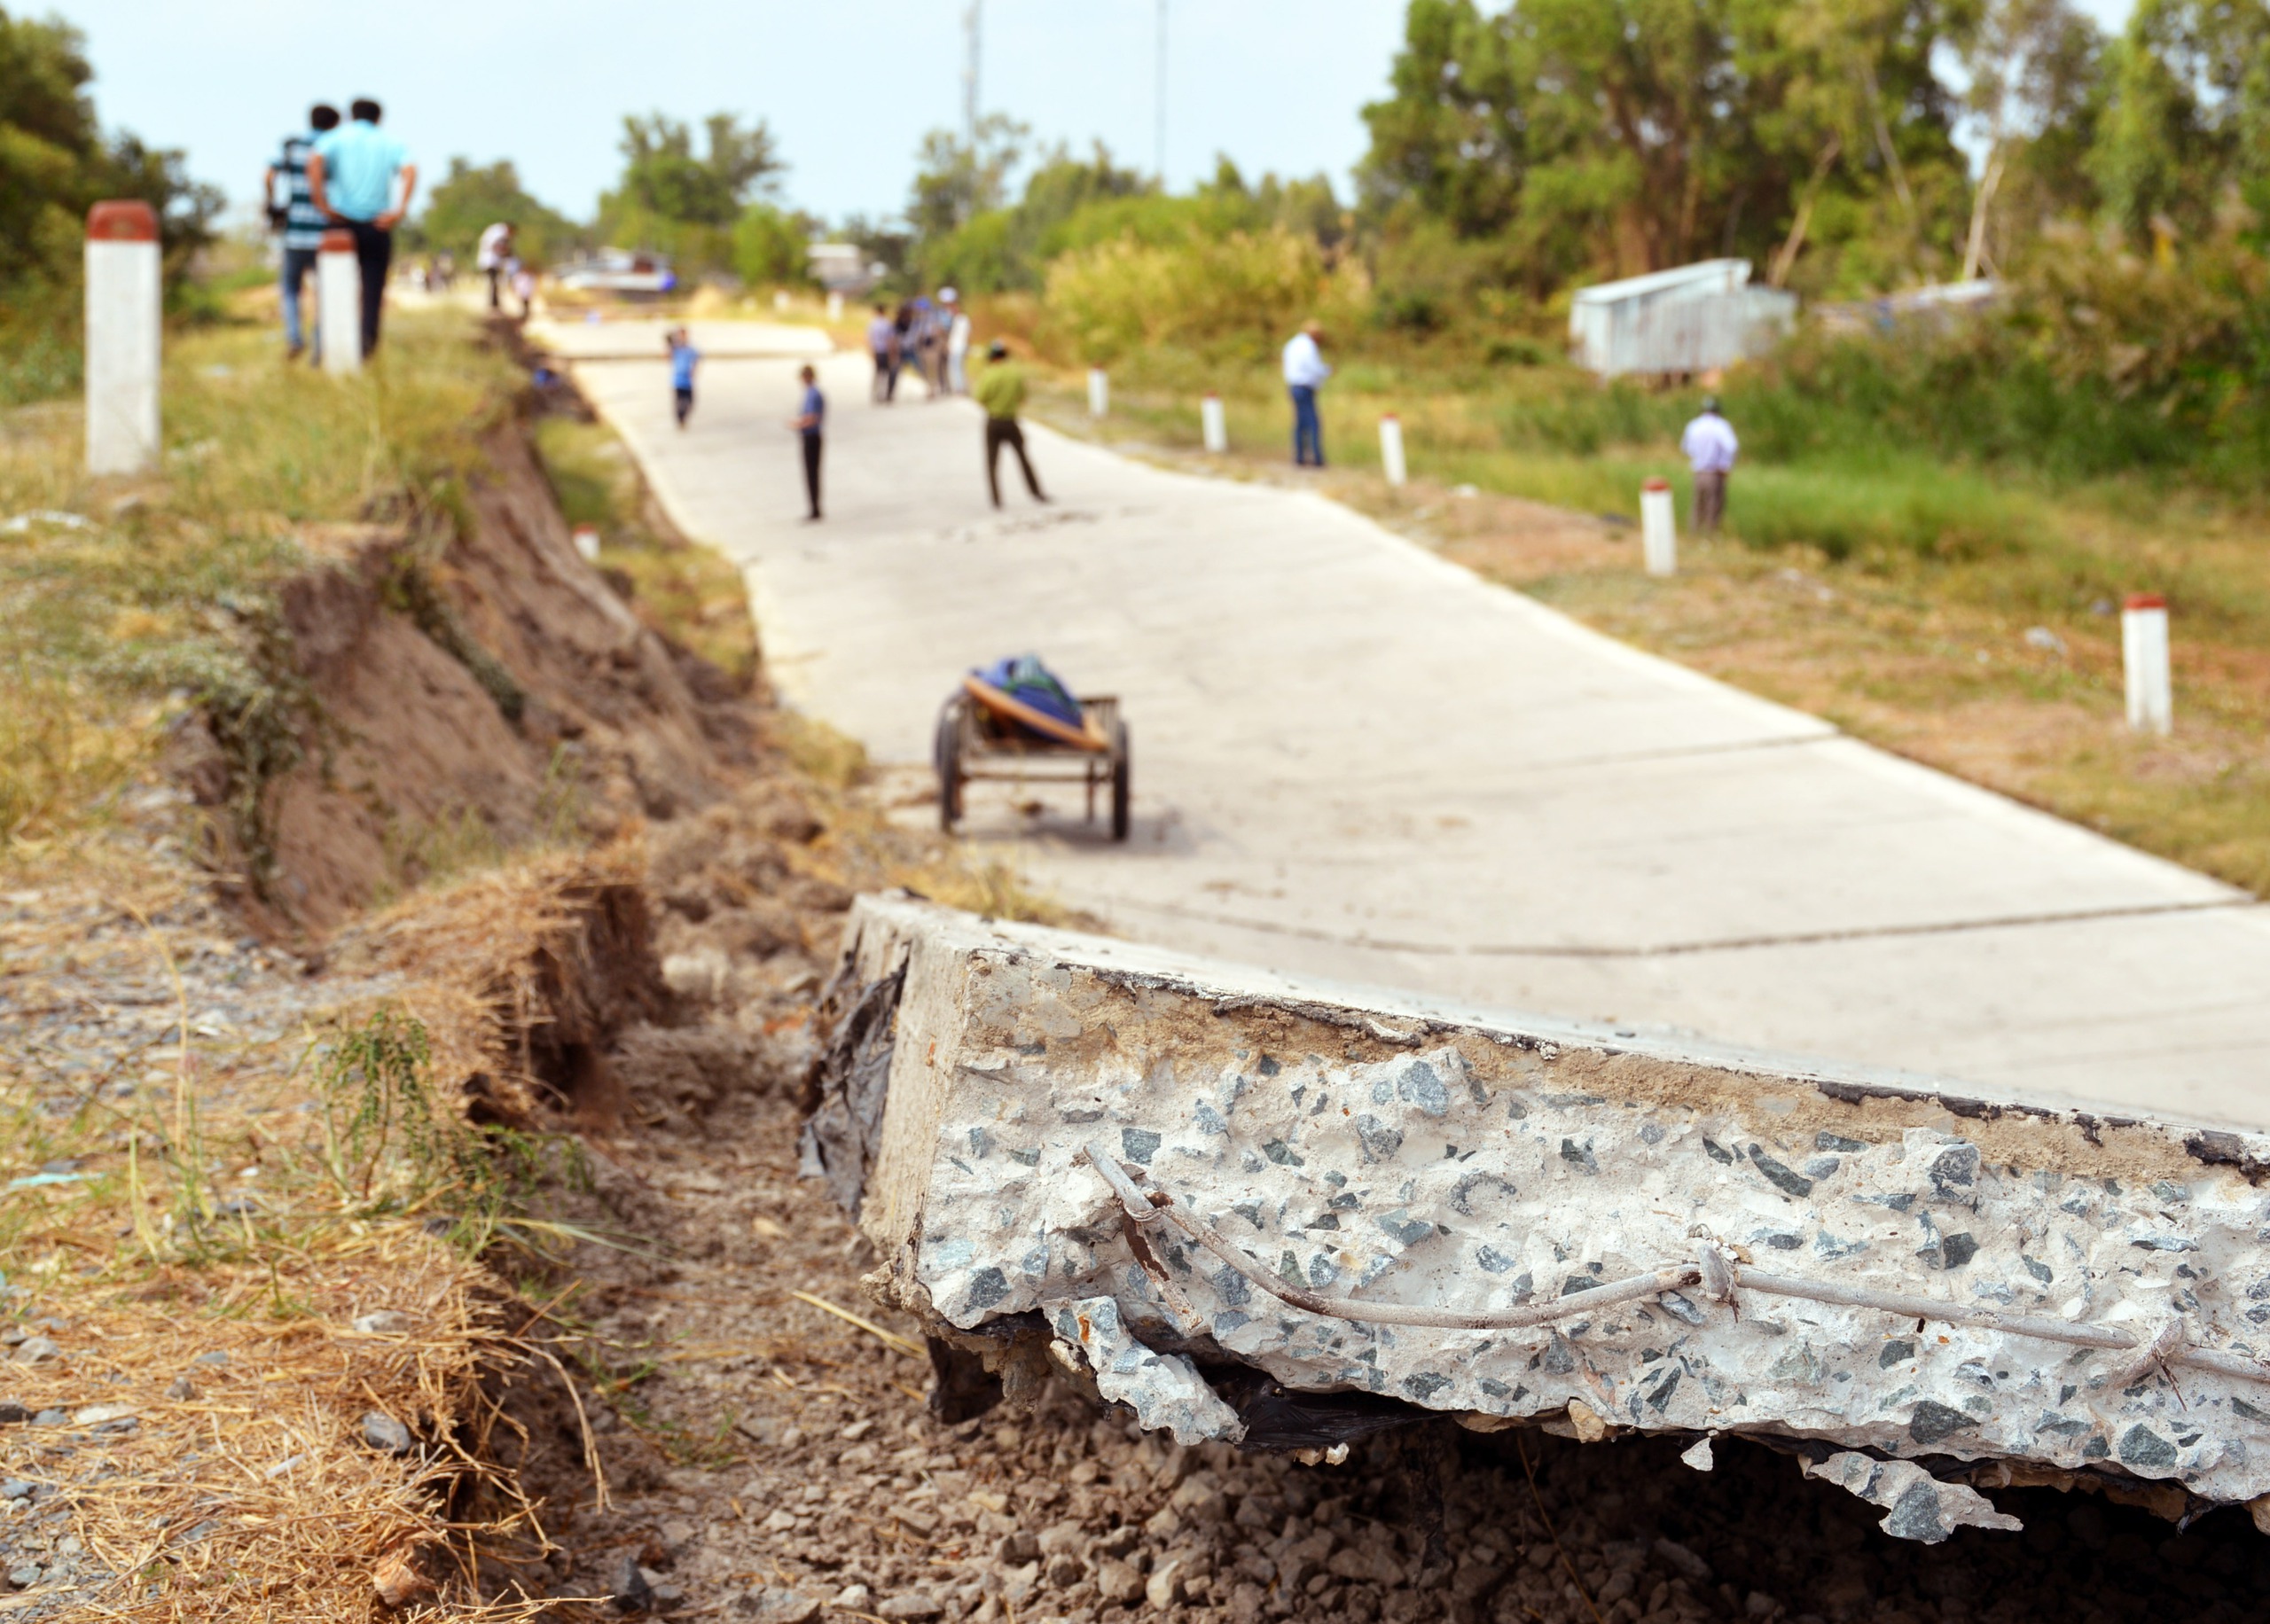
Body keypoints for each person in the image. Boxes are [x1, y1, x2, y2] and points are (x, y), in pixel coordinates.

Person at [308, 98, 417, 358]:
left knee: (334, 290)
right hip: (377, 224)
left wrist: (321, 203)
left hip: (340, 224)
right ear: (379, 118)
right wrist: (399, 210)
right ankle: (366, 349)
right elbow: (410, 170)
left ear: (350, 116)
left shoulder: (336, 138)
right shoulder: (389, 142)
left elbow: (313, 163)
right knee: (372, 293)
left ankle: (330, 348)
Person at [265, 103, 340, 362]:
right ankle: (319, 346)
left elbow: (268, 175)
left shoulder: (293, 148)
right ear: (335, 124)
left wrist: (272, 202)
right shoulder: (334, 149)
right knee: (324, 292)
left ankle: (295, 337)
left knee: (290, 289)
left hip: (295, 233)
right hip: (326, 233)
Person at [975, 340, 1047, 509]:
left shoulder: (989, 374)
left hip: (993, 421)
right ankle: (1036, 492)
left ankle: (996, 500)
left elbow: (980, 398)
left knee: (992, 462)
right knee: (1023, 458)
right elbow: (1022, 397)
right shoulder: (1015, 374)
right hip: (1011, 421)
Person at [1680, 395, 1739, 534]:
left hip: (1699, 472)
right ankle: (1709, 535)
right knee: (1713, 507)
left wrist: (1698, 457)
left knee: (1697, 506)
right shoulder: (1720, 426)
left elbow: (1686, 448)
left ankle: (1694, 534)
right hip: (1715, 472)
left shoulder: (1693, 425)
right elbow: (1732, 447)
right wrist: (1728, 465)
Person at [1282, 319, 1331, 466]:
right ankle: (1317, 458)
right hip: (1304, 386)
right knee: (1312, 422)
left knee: (1300, 422)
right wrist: (1327, 370)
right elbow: (1313, 368)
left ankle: (1299, 457)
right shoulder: (1308, 346)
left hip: (1293, 385)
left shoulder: (1292, 344)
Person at [793, 363, 825, 521]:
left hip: (812, 437)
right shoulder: (811, 393)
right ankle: (814, 507)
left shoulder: (813, 394)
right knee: (811, 474)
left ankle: (815, 509)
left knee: (812, 474)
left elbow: (812, 417)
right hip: (811, 436)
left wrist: (797, 424)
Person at [477, 221, 515, 309]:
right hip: (490, 261)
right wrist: (506, 253)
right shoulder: (499, 232)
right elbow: (497, 246)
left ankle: (495, 303)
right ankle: (494, 304)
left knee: (494, 283)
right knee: (494, 283)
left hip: (491, 260)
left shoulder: (497, 231)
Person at [668, 327, 700, 428]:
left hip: (688, 380)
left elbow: (696, 359)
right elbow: (667, 356)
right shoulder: (675, 348)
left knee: (690, 402)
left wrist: (694, 370)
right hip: (678, 380)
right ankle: (680, 419)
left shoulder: (690, 349)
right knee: (679, 402)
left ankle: (683, 418)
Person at [867, 303, 898, 402]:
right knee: (885, 374)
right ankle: (883, 393)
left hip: (878, 350)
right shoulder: (887, 323)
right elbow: (891, 340)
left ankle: (876, 393)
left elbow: (870, 339)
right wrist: (892, 353)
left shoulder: (873, 323)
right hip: (885, 351)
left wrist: (871, 351)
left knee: (878, 373)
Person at [943, 288, 972, 394]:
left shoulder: (962, 319)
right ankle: (959, 387)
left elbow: (967, 335)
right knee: (955, 368)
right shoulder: (956, 320)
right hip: (955, 347)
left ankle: (961, 388)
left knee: (957, 368)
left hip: (959, 347)